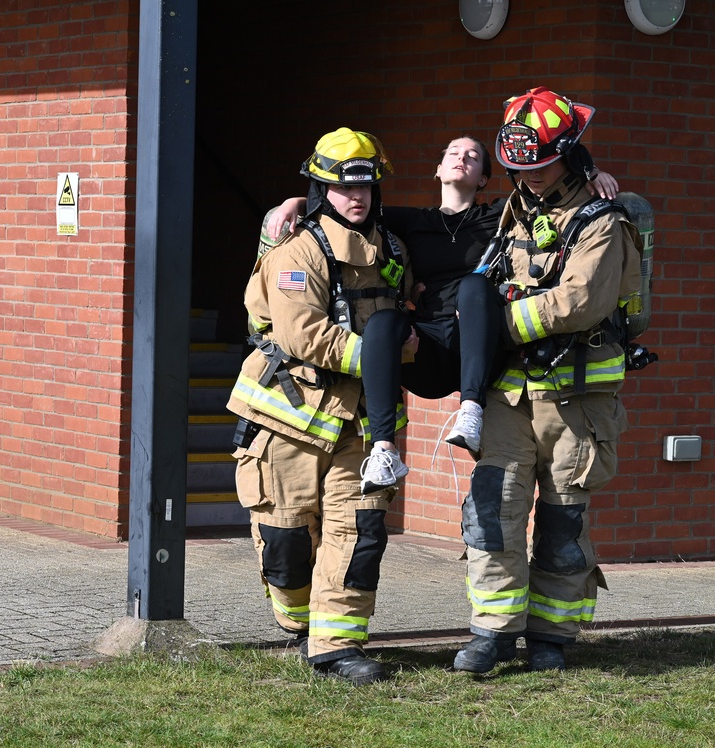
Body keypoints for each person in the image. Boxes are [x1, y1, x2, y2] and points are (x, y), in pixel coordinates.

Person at [267, 137, 618, 494]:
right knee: (383, 322)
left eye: (472, 156)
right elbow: (346, 204)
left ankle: (471, 412)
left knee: (474, 285)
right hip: (429, 348)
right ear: (438, 171)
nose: (461, 159)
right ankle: (383, 450)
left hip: (479, 348)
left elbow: (549, 193)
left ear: (483, 178)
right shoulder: (411, 222)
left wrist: (590, 172)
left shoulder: (500, 215)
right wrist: (294, 202)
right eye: (453, 153)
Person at [452, 87, 643, 674]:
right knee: (492, 510)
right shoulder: (515, 209)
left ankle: (551, 636)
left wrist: (496, 328)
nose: (530, 177)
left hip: (576, 400)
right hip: (509, 394)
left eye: (541, 165)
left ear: (571, 155)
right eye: (520, 168)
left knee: (563, 520)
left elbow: (581, 301)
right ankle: (492, 631)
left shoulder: (602, 220)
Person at [226, 127, 413, 686]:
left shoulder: (395, 251)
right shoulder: (297, 250)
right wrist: (382, 358)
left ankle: (336, 646)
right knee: (285, 547)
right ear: (320, 188)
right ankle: (300, 623)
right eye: (343, 187)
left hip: (360, 429)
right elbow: (304, 335)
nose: (358, 197)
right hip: (287, 421)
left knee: (358, 536)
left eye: (367, 187)